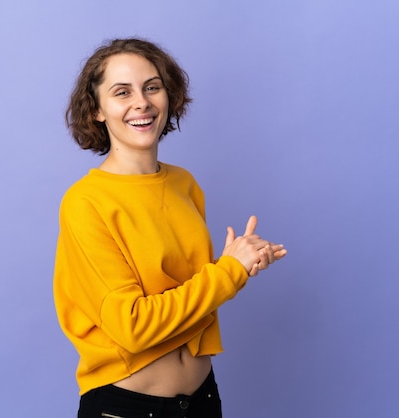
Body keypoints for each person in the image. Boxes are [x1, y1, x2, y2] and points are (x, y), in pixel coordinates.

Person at [53, 38, 287, 418]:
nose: (141, 102)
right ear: (97, 109)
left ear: (168, 95)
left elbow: (195, 295)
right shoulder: (86, 202)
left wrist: (241, 264)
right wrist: (229, 271)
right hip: (127, 409)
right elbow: (132, 326)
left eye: (152, 87)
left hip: (202, 399)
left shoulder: (185, 185)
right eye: (122, 92)